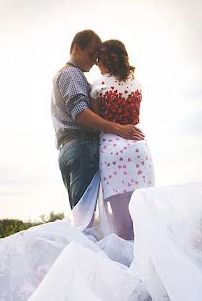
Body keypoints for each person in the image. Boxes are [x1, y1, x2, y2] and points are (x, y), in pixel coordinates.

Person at [50, 30, 144, 213]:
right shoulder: (72, 74)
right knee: (86, 217)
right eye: (91, 54)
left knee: (80, 214)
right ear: (77, 48)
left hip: (69, 148)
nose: (94, 61)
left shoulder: (61, 74)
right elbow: (80, 113)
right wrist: (117, 128)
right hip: (81, 147)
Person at [90, 39, 154, 240]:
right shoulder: (137, 85)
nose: (96, 64)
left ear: (105, 61)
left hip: (112, 153)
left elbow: (96, 121)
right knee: (142, 217)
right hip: (138, 150)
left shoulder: (98, 84)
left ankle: (127, 266)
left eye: (98, 59)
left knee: (122, 225)